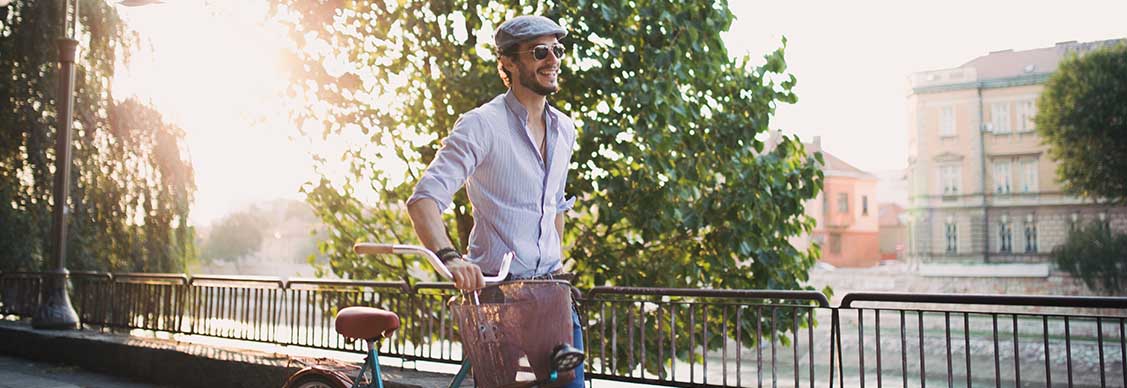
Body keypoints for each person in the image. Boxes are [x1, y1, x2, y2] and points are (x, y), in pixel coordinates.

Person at [405, 15, 584, 387]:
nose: (552, 60)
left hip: (551, 298)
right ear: (508, 63)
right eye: (539, 52)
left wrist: (556, 261)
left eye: (557, 50)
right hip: (497, 300)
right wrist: (452, 259)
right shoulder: (480, 125)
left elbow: (555, 208)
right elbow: (423, 200)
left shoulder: (565, 129)